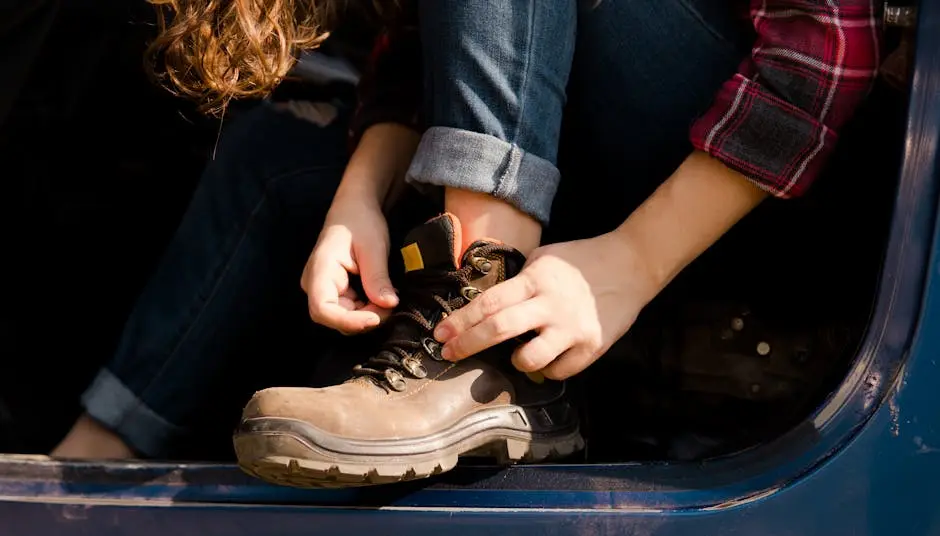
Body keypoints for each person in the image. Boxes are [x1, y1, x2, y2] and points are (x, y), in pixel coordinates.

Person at [57, 0, 881, 490]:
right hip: (564, 159)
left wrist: (630, 262)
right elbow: (442, 40)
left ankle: (477, 343)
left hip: (755, 194)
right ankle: (80, 473)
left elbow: (828, 50)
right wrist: (361, 194)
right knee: (275, 157)